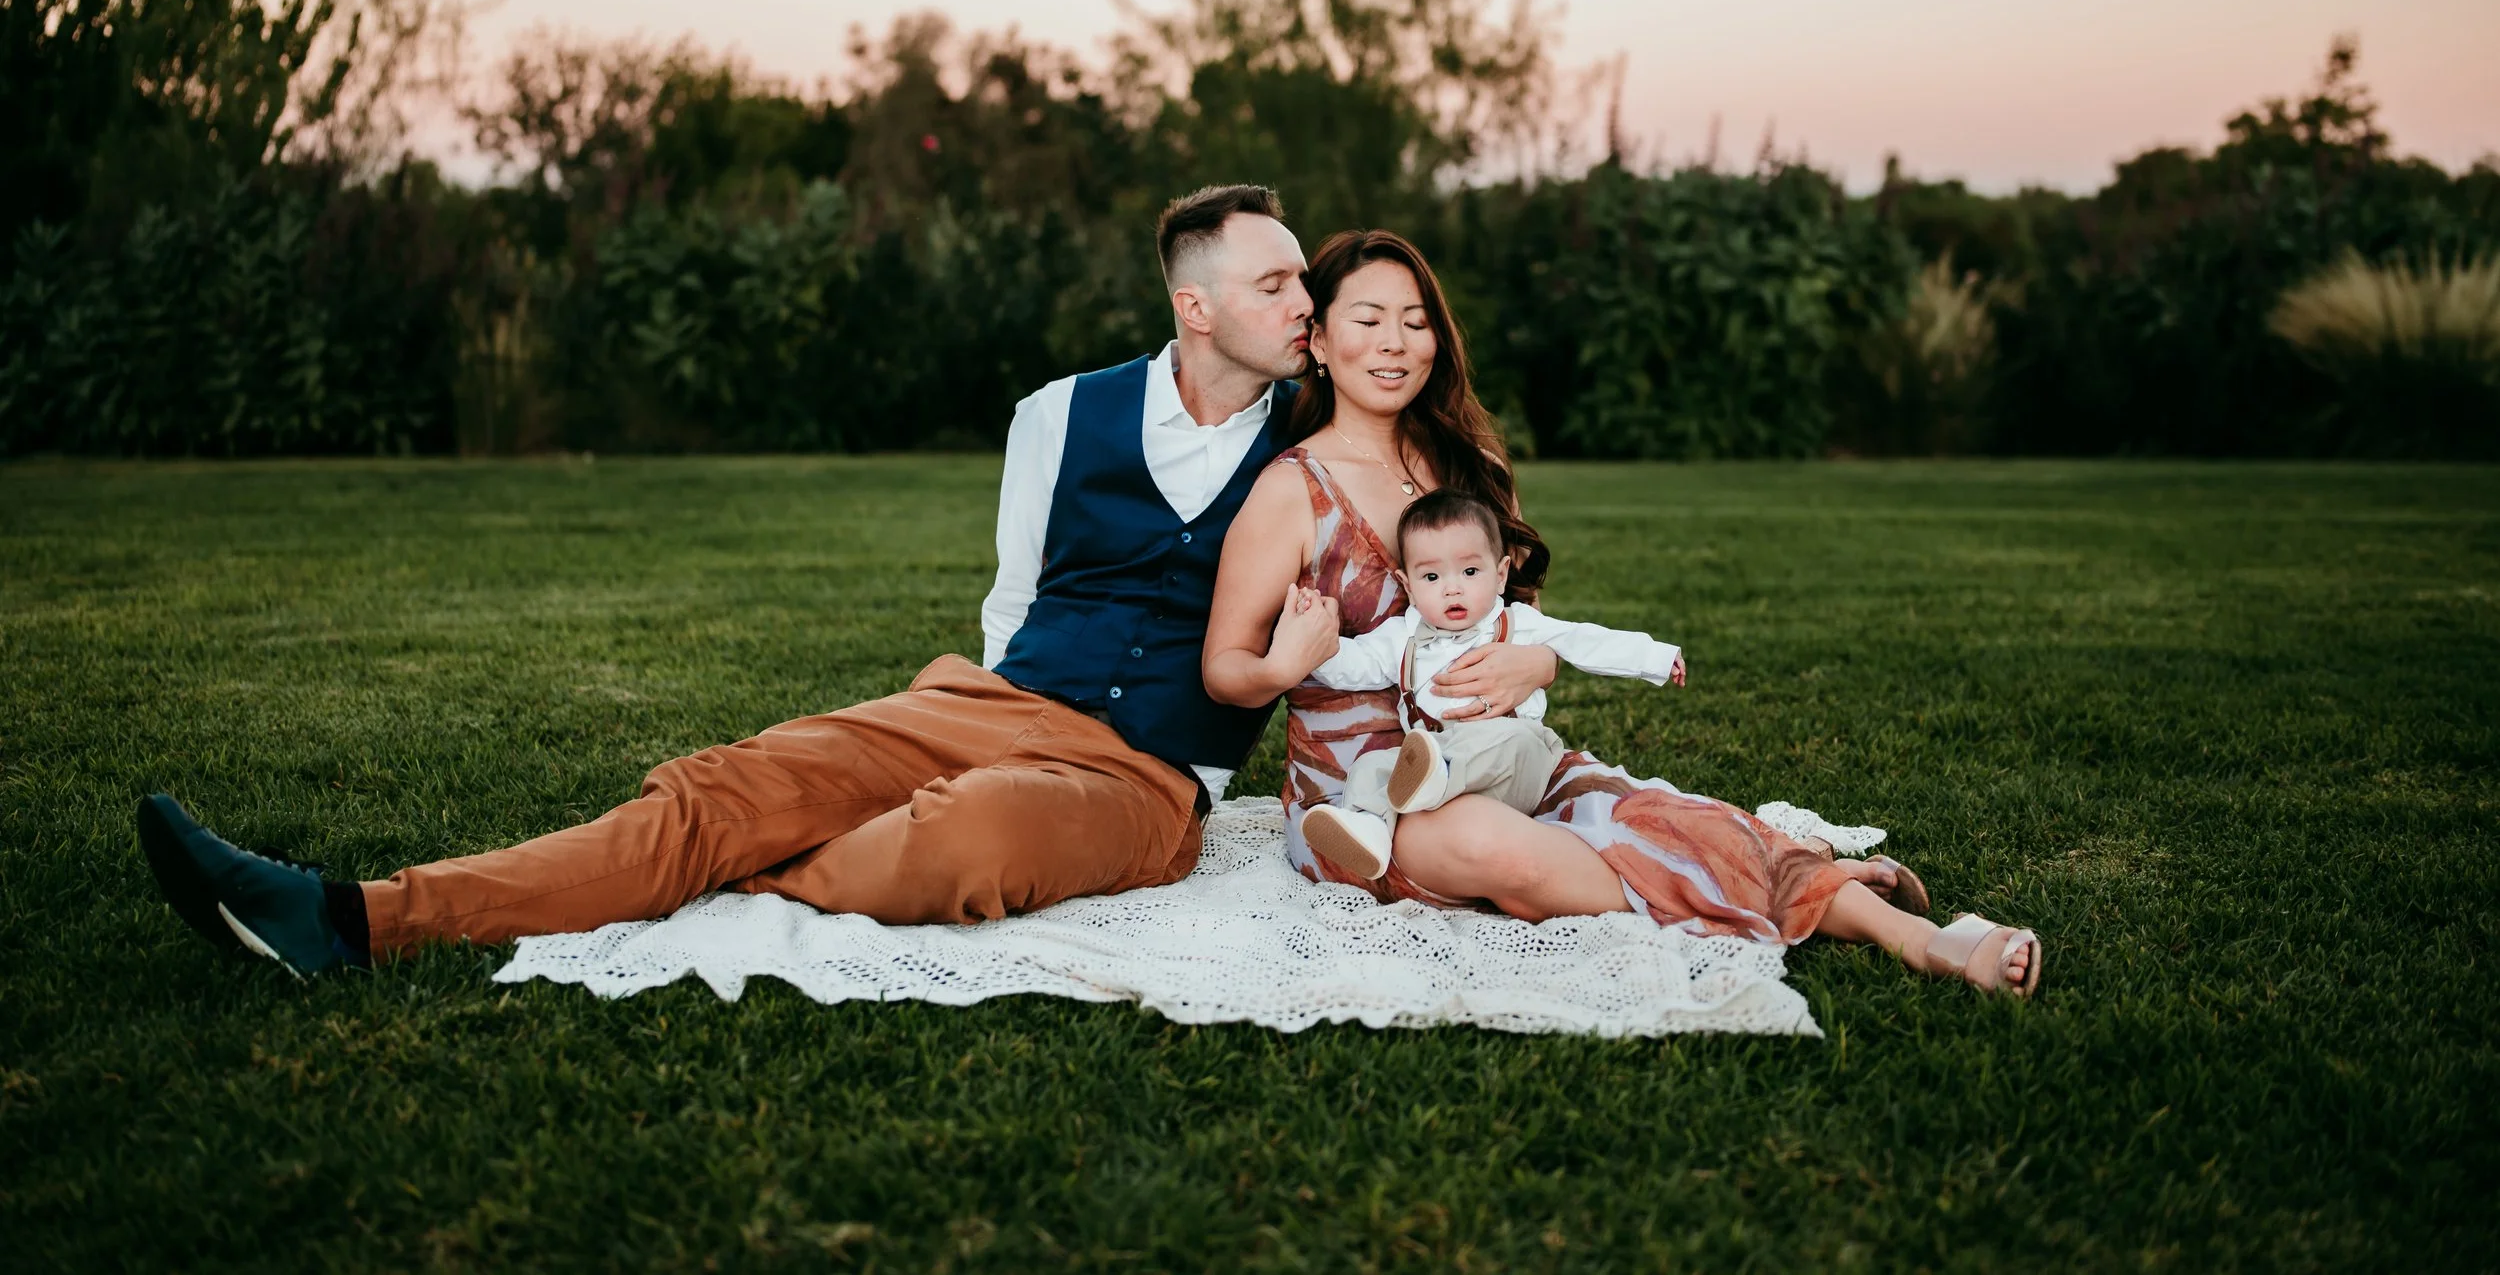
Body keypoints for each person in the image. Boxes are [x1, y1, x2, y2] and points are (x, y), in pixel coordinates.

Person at [137, 183, 1363, 978]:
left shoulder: (1321, 441)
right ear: (1193, 305)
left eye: (1304, 280)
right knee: (724, 786)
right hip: (991, 704)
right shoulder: (1059, 413)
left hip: (1149, 773)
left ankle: (692, 874)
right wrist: (984, 718)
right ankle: (353, 916)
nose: (1305, 302)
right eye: (1276, 284)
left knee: (970, 836)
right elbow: (1014, 595)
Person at [1200, 229, 2044, 997]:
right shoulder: (1290, 492)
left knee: (1642, 817)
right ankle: (1788, 884)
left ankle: (1929, 939)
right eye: (1369, 319)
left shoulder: (1469, 464)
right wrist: (1285, 661)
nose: (1394, 343)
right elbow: (1224, 669)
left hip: (1498, 754)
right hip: (1365, 804)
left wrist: (1543, 663)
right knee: (1494, 847)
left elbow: (1519, 623)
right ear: (1318, 340)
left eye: (1416, 321)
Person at [1286, 487, 1687, 882]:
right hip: (1443, 771)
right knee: (1373, 765)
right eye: (1431, 576)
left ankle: (1432, 778)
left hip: (1517, 765)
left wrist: (1655, 657)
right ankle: (1368, 828)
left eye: (1470, 571)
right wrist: (1318, 641)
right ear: (1407, 585)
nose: (1452, 587)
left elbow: (1584, 640)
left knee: (1508, 742)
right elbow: (1354, 666)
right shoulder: (1401, 638)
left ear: (1500, 575)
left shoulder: (1517, 624)